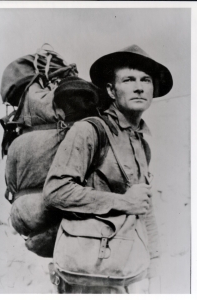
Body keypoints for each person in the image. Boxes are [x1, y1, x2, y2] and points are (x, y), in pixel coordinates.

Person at [43, 45, 173, 294]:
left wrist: (154, 259)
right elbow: (55, 191)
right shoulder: (89, 130)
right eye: (129, 79)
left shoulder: (140, 142)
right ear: (111, 90)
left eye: (146, 80)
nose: (139, 87)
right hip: (88, 271)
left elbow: (144, 207)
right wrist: (122, 201)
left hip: (127, 268)